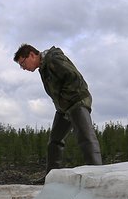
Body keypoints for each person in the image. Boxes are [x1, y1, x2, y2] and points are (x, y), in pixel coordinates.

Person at [14, 43, 104, 171]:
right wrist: (62, 103)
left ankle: (97, 173)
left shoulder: (53, 59)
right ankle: (51, 177)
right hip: (64, 107)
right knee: (55, 141)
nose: (23, 68)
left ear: (32, 55)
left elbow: (74, 77)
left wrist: (64, 98)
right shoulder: (43, 66)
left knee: (86, 137)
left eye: (22, 63)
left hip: (76, 101)